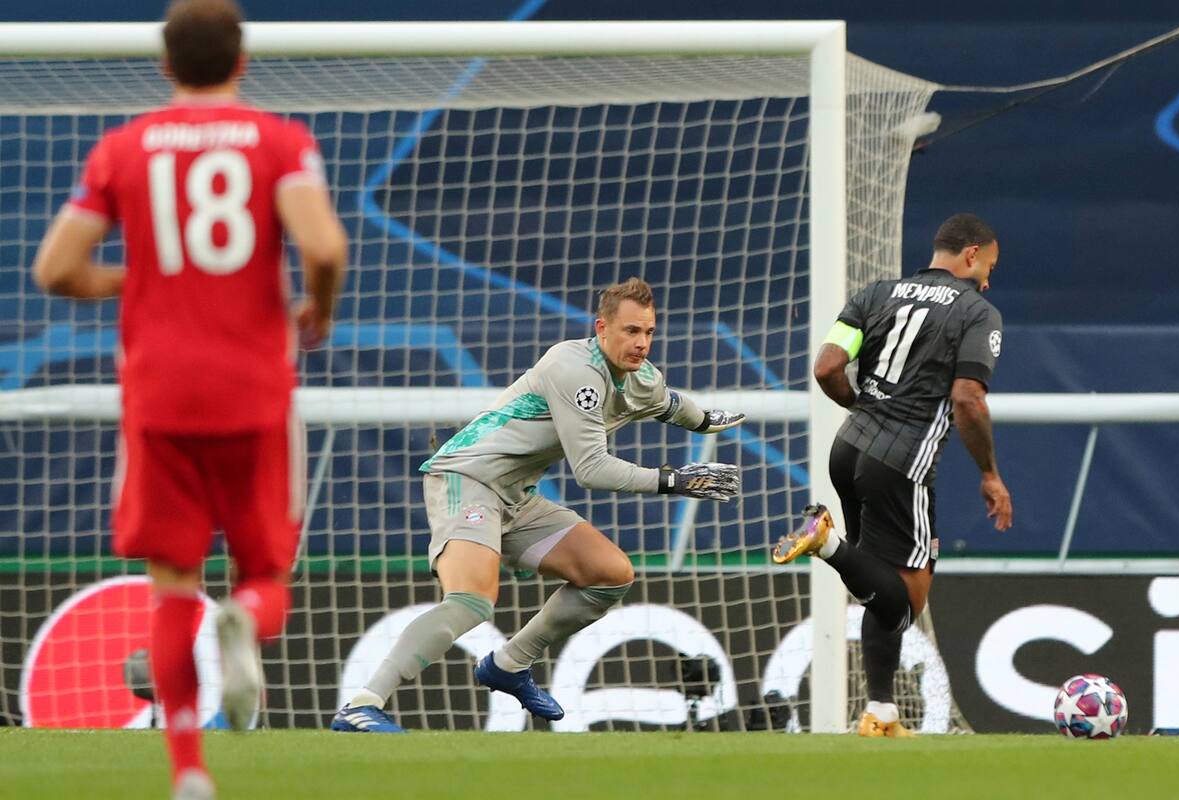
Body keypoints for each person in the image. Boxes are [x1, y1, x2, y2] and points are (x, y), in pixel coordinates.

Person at [32, 1, 347, 796]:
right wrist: (316, 311)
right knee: (267, 569)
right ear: (242, 62)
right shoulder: (279, 142)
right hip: (252, 388)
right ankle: (242, 610)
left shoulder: (123, 149)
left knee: (173, 579)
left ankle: (188, 773)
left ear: (164, 67)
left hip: (159, 393)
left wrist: (134, 279)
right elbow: (324, 245)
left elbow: (55, 270)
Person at [332, 277, 743, 732]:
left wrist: (706, 422)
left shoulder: (640, 376)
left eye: (649, 332)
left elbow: (670, 403)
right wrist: (672, 480)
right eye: (631, 331)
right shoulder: (574, 369)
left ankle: (508, 664)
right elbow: (591, 469)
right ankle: (362, 703)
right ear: (601, 328)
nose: (642, 343)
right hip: (467, 479)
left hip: (515, 495)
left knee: (610, 574)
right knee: (471, 600)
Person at [773, 212, 1013, 736]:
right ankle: (825, 543)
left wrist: (863, 408)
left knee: (879, 587)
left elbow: (826, 366)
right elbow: (968, 399)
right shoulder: (978, 312)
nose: (989, 279)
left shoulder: (875, 294)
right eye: (989, 266)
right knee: (904, 604)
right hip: (902, 462)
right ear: (971, 255)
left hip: (849, 447)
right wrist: (990, 474)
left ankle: (880, 711)